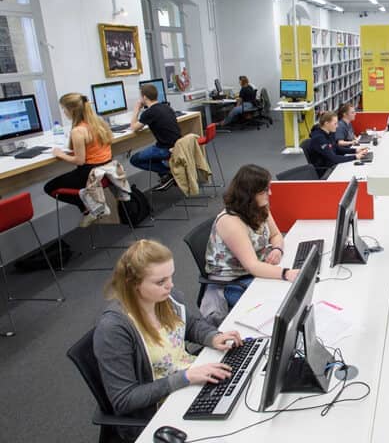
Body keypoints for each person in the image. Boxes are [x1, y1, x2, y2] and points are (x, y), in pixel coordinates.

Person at [93, 240, 243, 438]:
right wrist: (185, 377)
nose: (170, 285)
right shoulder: (114, 329)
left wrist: (213, 337)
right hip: (159, 409)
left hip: (188, 382)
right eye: (160, 281)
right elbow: (124, 399)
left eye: (170, 276)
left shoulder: (166, 299)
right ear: (133, 283)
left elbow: (191, 325)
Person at [203, 164, 300, 322]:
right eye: (264, 191)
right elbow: (252, 266)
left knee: (290, 295)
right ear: (248, 195)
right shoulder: (230, 221)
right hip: (232, 282)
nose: (270, 193)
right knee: (281, 308)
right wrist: (285, 273)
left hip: (252, 271)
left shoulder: (259, 207)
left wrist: (277, 249)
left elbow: (276, 234)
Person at [44, 93, 114, 227]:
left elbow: (80, 161)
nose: (63, 112)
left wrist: (60, 154)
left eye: (64, 109)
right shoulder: (99, 122)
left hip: (89, 174)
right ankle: (91, 207)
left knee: (49, 187)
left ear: (71, 111)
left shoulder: (78, 131)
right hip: (105, 172)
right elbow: (92, 149)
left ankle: (90, 208)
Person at [129, 83, 181, 192]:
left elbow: (133, 127)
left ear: (144, 97)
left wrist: (136, 109)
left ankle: (168, 172)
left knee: (134, 159)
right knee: (150, 154)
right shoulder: (166, 107)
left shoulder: (149, 113)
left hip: (165, 149)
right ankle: (167, 174)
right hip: (178, 145)